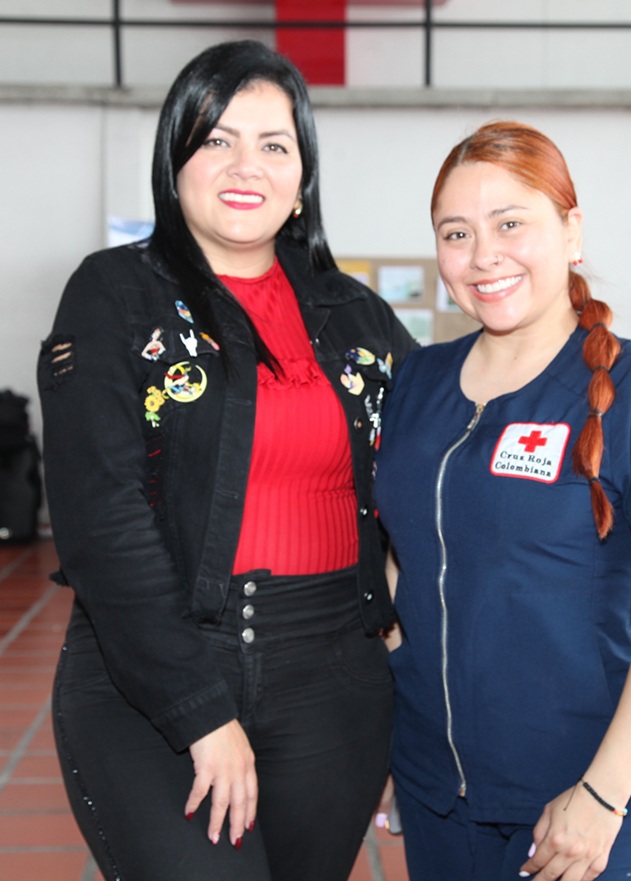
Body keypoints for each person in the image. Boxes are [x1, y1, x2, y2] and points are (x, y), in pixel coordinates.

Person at [37, 40, 416, 881]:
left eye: (274, 144)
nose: (247, 165)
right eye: (217, 139)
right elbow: (102, 518)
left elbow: (433, 473)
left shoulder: (358, 316)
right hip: (155, 674)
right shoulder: (113, 294)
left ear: (302, 176)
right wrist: (200, 712)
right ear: (176, 159)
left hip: (336, 681)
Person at [373, 121, 631, 881]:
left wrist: (602, 796)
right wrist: (404, 738)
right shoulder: (417, 385)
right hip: (443, 799)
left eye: (511, 224)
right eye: (456, 232)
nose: (483, 256)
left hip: (590, 798)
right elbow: (404, 569)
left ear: (572, 231)